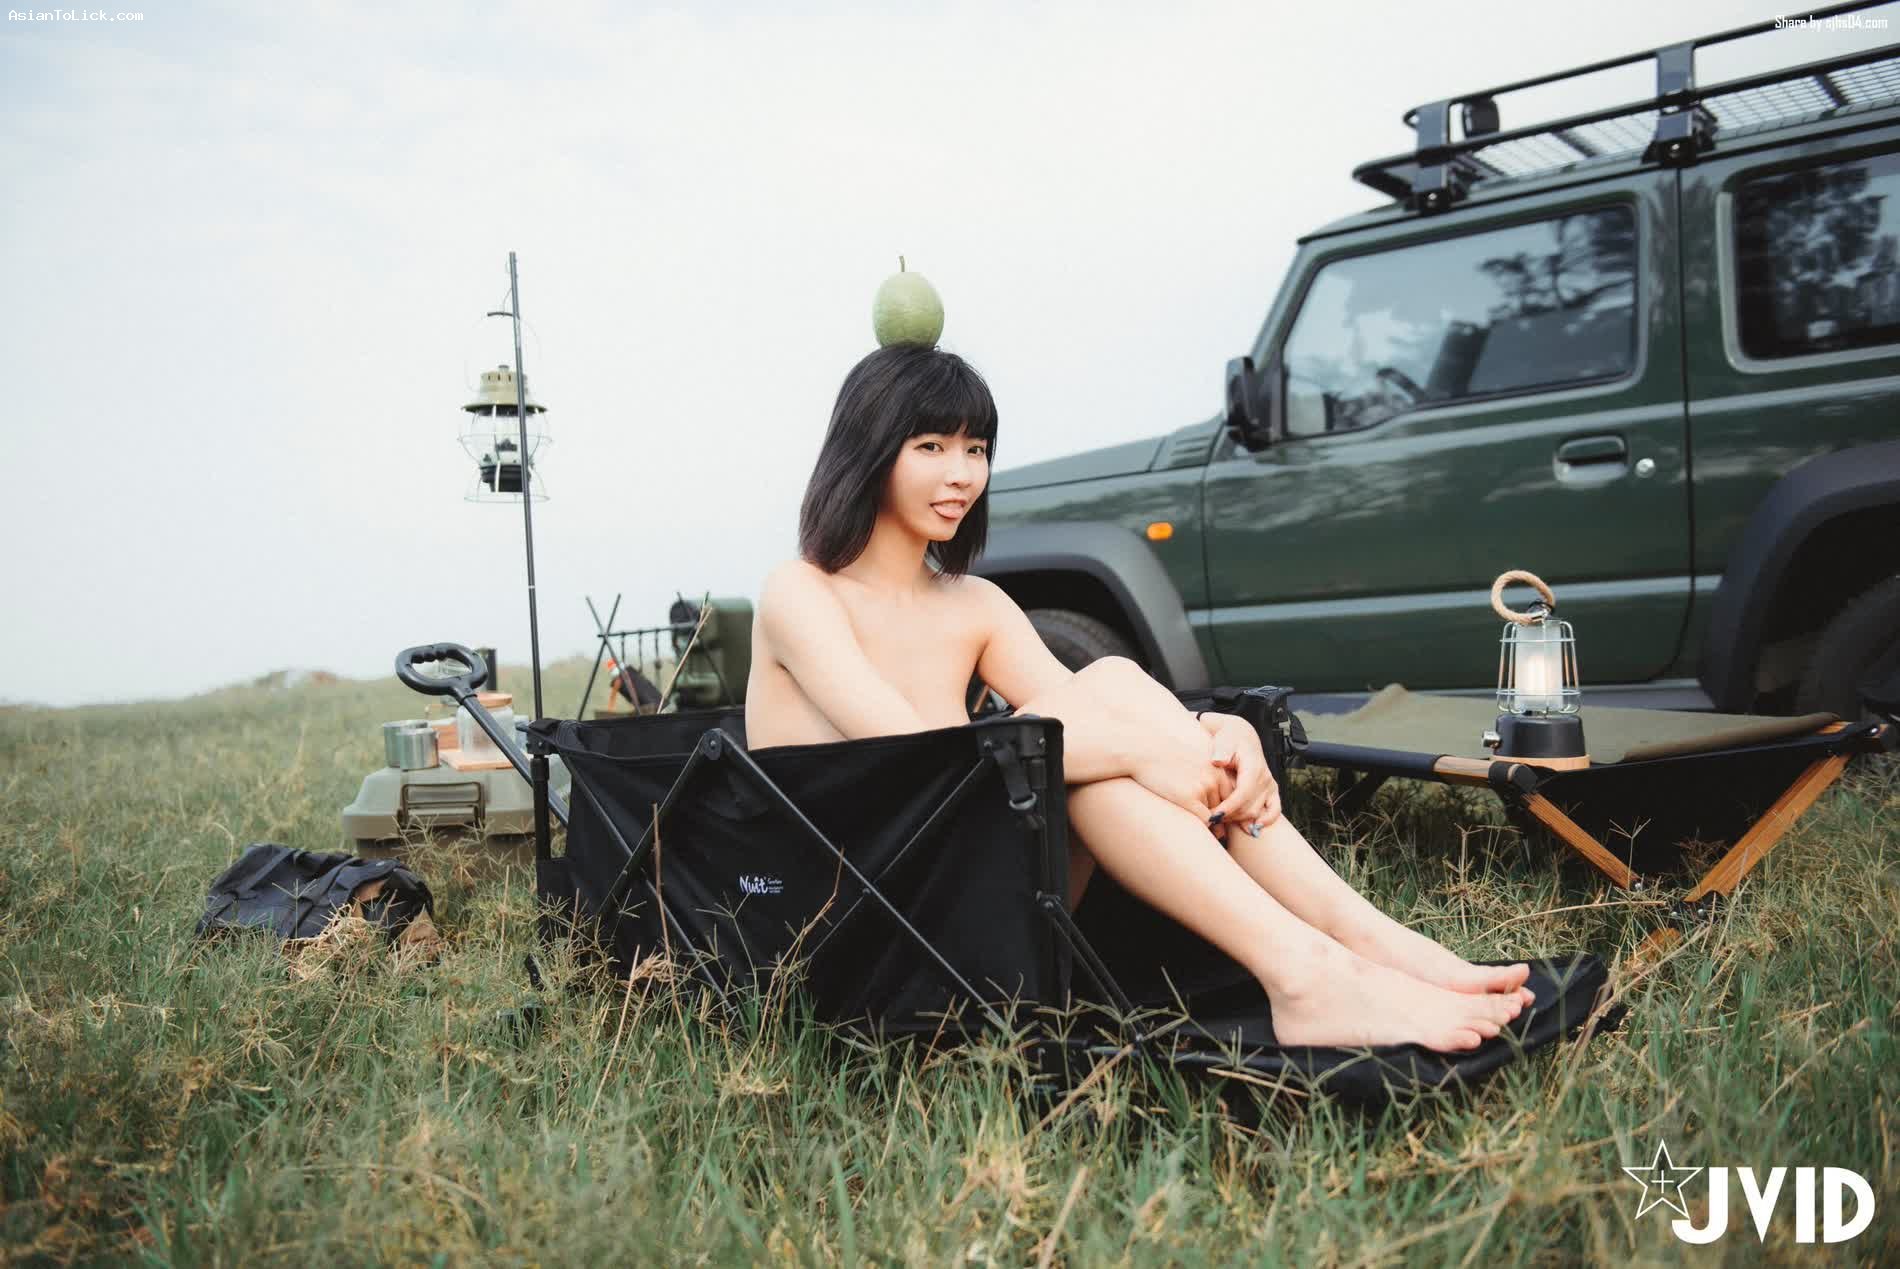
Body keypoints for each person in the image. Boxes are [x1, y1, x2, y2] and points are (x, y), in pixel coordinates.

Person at [745, 345, 1533, 1053]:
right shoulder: (800, 593)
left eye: (975, 448)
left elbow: (1093, 711)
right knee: (1089, 760)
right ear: (869, 450)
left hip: (980, 894)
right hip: (873, 929)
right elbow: (926, 763)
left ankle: (1361, 946)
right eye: (931, 447)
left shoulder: (972, 604)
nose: (962, 473)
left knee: (1112, 684)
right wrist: (1142, 752)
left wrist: (1217, 732)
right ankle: (1309, 973)